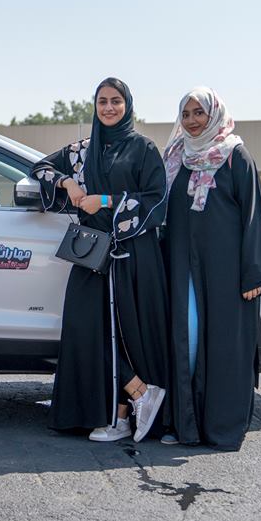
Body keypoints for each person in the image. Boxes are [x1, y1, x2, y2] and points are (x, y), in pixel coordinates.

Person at [31, 77, 169, 443]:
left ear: (127, 106)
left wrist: (105, 201)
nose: (109, 108)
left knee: (125, 334)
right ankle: (138, 394)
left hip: (132, 256)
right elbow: (40, 168)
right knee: (86, 331)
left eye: (116, 101)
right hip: (91, 254)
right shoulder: (81, 151)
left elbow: (157, 199)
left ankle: (122, 414)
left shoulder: (143, 149)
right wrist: (68, 185)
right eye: (102, 101)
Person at [162, 87, 261, 451]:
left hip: (227, 274)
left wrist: (253, 273)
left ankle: (221, 427)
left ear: (214, 114)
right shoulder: (176, 156)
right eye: (186, 114)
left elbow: (252, 215)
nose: (193, 121)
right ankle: (185, 425)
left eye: (199, 113)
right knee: (188, 342)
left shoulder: (235, 156)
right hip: (183, 268)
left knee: (225, 347)